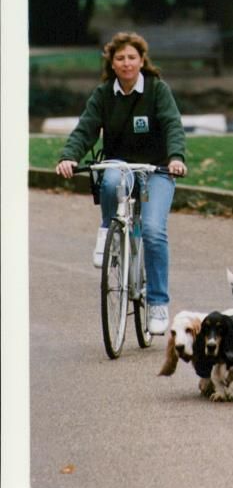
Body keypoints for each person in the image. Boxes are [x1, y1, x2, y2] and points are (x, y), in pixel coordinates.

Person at [55, 31, 187, 335]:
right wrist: (69, 157)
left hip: (157, 169)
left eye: (132, 57)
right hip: (120, 165)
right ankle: (107, 231)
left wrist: (176, 157)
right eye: (120, 58)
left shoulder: (157, 90)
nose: (126, 63)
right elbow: (85, 129)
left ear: (142, 61)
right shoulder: (103, 94)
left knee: (153, 232)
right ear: (112, 64)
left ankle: (157, 302)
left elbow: (172, 125)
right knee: (111, 177)